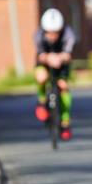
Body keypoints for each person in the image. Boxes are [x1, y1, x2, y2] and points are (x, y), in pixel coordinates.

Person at [33, 8, 76, 141]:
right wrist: (48, 58)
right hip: (45, 61)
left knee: (63, 86)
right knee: (41, 77)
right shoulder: (38, 35)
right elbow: (40, 55)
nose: (52, 36)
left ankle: (65, 122)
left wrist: (59, 58)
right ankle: (41, 101)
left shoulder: (68, 34)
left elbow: (68, 55)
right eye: (49, 33)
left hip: (61, 62)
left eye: (55, 33)